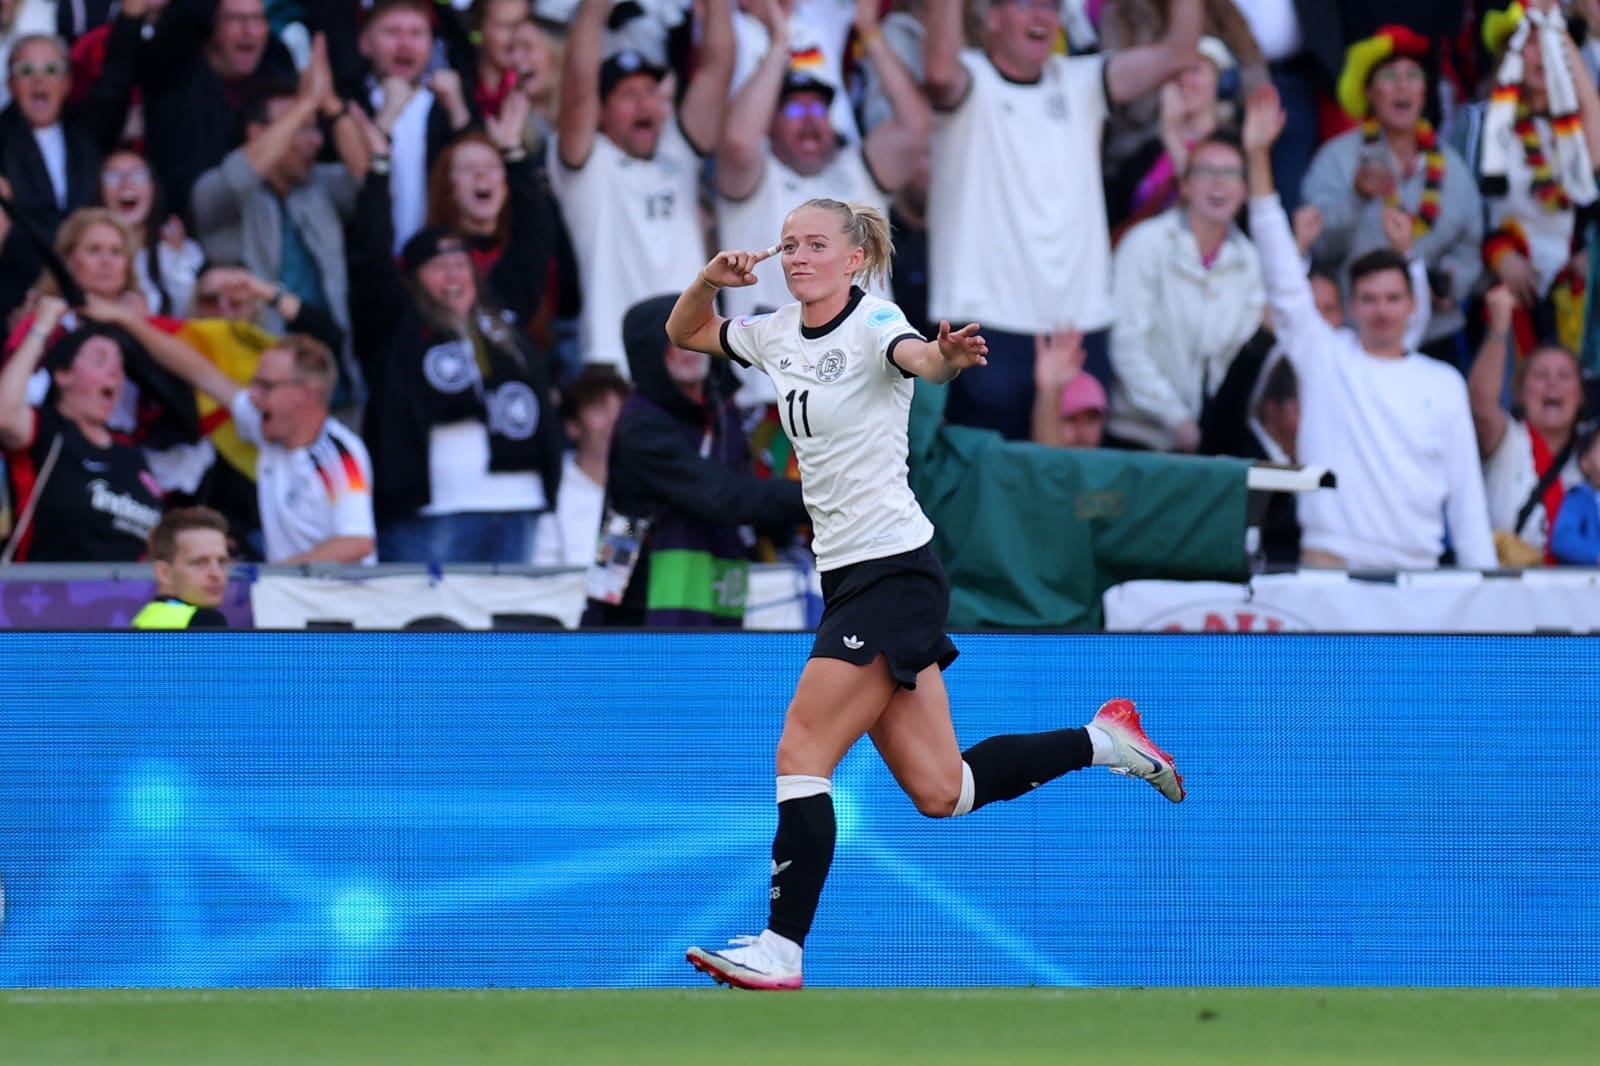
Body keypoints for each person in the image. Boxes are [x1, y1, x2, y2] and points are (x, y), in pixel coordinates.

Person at [665, 197, 1184, 991]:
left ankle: (782, 945)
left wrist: (943, 355)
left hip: (891, 574)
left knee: (801, 753)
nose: (797, 256)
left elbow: (920, 359)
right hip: (852, 579)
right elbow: (686, 333)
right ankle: (1105, 740)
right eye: (789, 244)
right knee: (947, 791)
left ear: (852, 259)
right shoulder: (773, 332)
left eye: (814, 245)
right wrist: (708, 280)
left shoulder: (876, 323)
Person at [922, 0, 1203, 439]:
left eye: (1051, 6)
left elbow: (1180, 53)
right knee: (992, 484)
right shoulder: (970, 77)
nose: (1042, 16)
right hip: (982, 319)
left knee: (1069, 487)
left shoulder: (1082, 79)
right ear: (992, 17)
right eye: (1026, 4)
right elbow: (939, 73)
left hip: (1078, 323)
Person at [1244, 83, 1495, 571]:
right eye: (1369, 299)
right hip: (1328, 572)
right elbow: (1280, 270)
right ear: (1352, 306)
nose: (1382, 310)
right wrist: (1257, 158)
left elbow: (1468, 505)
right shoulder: (1324, 356)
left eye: (1393, 298)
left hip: (1417, 579)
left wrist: (1483, 595)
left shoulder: (1443, 383)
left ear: (1412, 303)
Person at [81, 303, 377, 565]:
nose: (254, 396)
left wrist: (274, 575)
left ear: (305, 394)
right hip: (293, 603)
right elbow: (198, 371)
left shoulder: (339, 456)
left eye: (266, 386)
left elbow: (357, 542)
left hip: (338, 617)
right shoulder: (268, 427)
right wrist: (129, 321)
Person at [583, 294, 809, 625]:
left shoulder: (722, 408)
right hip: (640, 600)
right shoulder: (639, 424)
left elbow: (745, 491)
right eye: (673, 340)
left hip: (713, 590)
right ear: (648, 354)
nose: (688, 351)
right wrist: (817, 495)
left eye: (695, 335)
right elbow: (719, 495)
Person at [550, 0, 734, 369]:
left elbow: (718, 69)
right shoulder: (587, 165)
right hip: (616, 362)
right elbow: (577, 86)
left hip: (694, 358)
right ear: (600, 112)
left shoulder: (678, 152)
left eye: (650, 91)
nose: (643, 104)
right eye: (627, 95)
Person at [1301, 24, 1482, 366]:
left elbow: (1471, 246)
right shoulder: (1335, 160)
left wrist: (1447, 285)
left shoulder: (1453, 168)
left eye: (1413, 75)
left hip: (1435, 338)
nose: (1402, 85)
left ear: (1425, 92)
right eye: (1389, 75)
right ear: (1369, 91)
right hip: (1356, 339)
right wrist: (1356, 197)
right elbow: (1318, 247)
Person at [1107, 134, 1264, 452]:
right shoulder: (1145, 243)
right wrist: (1176, 417)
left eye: (1231, 173)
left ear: (1245, 190)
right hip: (1138, 438)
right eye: (1206, 171)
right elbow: (1125, 344)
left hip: (1207, 439)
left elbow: (1235, 357)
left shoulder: (1251, 261)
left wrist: (1210, 423)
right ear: (1186, 185)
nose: (1218, 183)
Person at [0, 297, 163, 562]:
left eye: (120, 366)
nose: (115, 373)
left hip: (128, 599)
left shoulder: (130, 452)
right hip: (43, 597)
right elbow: (4, 417)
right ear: (63, 374)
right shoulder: (46, 428)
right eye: (100, 361)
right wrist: (42, 325)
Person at [1468, 284, 1586, 566]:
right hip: (1511, 595)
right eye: (1541, 375)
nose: (1552, 384)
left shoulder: (1591, 454)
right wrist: (1499, 328)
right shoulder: (1508, 439)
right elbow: (1481, 405)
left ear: (1581, 395)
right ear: (1520, 392)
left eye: (1564, 376)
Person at [533, 363, 630, 569]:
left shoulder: (642, 488)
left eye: (621, 409)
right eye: (599, 409)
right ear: (572, 426)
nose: (613, 421)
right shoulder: (553, 490)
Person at [98, 148, 205, 318]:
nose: (127, 184)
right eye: (113, 177)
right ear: (99, 192)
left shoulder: (183, 252)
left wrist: (176, 260)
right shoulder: (86, 255)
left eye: (138, 175)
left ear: (153, 187)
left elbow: (193, 317)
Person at [132, 505, 232, 628]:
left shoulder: (143, 618)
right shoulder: (207, 620)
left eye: (221, 561)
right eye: (200, 562)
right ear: (164, 573)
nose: (217, 574)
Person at [1550, 427, 1600, 565]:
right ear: (1585, 462)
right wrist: (1596, 554)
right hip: (1585, 583)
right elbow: (1562, 539)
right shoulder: (1580, 498)